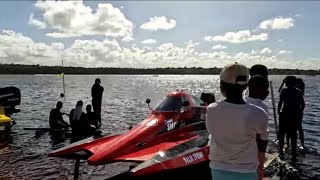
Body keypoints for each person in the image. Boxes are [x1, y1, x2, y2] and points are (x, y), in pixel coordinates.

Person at [206, 63, 268, 180]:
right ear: (246, 86)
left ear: (222, 85)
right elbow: (262, 148)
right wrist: (260, 171)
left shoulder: (211, 110)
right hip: (247, 172)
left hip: (218, 170)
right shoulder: (259, 113)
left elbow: (213, 132)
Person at [244, 75, 270, 180]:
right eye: (265, 89)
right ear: (255, 89)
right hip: (253, 152)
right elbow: (261, 138)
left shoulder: (243, 100)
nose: (267, 92)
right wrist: (261, 160)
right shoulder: (262, 107)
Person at [278, 76, 305, 160]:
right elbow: (303, 105)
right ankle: (293, 153)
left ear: (287, 83)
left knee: (282, 133)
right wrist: (299, 112)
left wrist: (279, 112)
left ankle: (281, 151)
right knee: (293, 134)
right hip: (294, 115)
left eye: (286, 82)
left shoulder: (284, 91)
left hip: (285, 114)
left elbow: (280, 103)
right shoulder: (299, 92)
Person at [295, 78, 306, 149]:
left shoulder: (299, 91)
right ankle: (302, 144)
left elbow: (302, 104)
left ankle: (299, 144)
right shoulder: (300, 90)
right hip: (298, 111)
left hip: (297, 111)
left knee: (298, 128)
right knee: (299, 128)